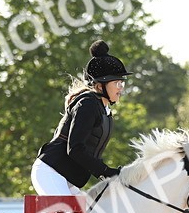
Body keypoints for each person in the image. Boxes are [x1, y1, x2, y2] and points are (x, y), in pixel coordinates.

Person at [33, 40, 132, 196]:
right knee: (67, 211)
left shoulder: (105, 110)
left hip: (67, 178)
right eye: (116, 82)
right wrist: (105, 171)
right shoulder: (87, 105)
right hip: (50, 171)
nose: (121, 88)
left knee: (91, 212)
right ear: (100, 86)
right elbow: (75, 148)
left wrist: (109, 172)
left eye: (122, 82)